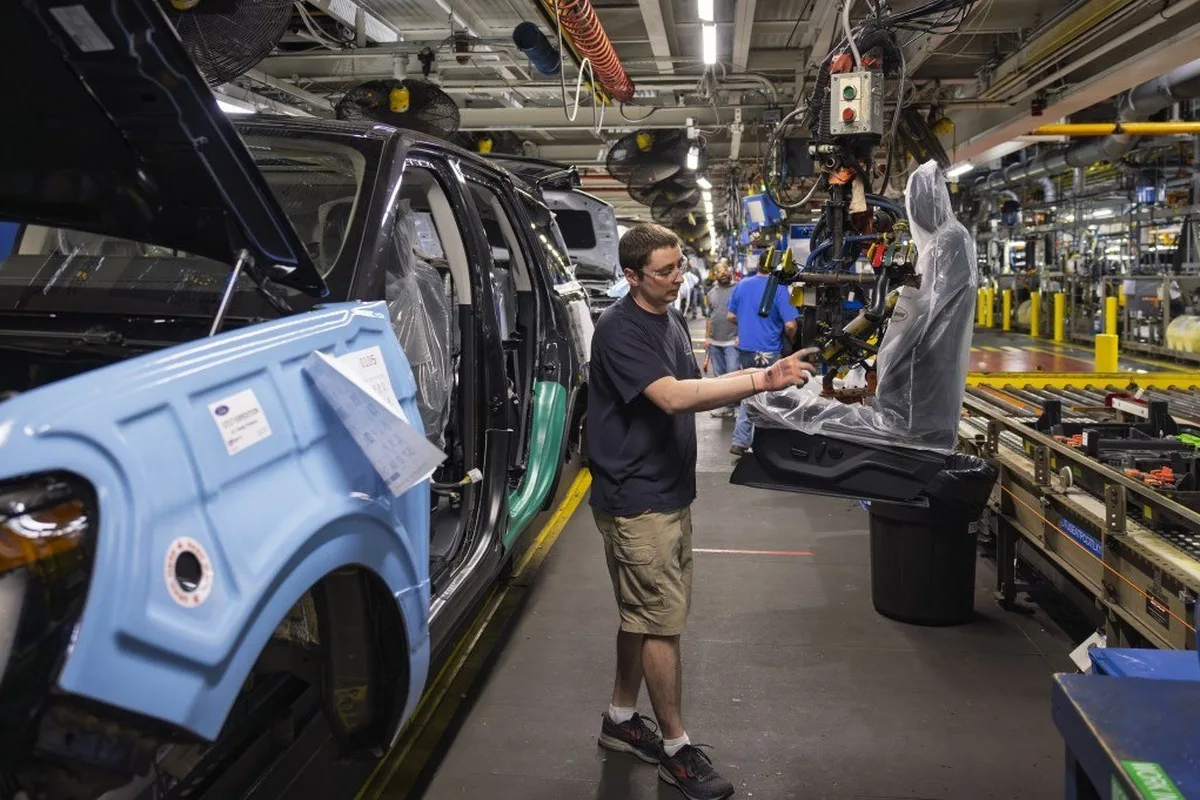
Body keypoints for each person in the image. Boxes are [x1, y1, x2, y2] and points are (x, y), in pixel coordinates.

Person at [587, 223, 815, 800]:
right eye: (664, 271)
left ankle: (619, 719)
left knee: (642, 614)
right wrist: (759, 379)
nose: (677, 278)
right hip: (638, 498)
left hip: (664, 491)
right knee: (662, 623)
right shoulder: (620, 329)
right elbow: (672, 396)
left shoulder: (663, 320)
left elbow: (695, 382)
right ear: (632, 275)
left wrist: (757, 379)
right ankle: (675, 749)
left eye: (678, 266)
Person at [725, 249, 800, 456]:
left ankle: (740, 440)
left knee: (749, 392)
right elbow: (791, 325)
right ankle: (767, 446)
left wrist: (748, 325)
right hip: (769, 350)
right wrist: (792, 343)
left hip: (746, 349)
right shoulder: (779, 288)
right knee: (771, 396)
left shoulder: (742, 285)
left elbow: (730, 316)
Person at [703, 264, 739, 418]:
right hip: (715, 341)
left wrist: (742, 334)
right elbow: (709, 317)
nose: (722, 273)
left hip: (733, 340)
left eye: (725, 269)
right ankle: (725, 406)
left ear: (731, 271)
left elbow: (745, 313)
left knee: (733, 375)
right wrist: (707, 337)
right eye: (718, 271)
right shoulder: (711, 293)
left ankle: (737, 406)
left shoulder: (738, 289)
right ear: (714, 274)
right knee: (719, 377)